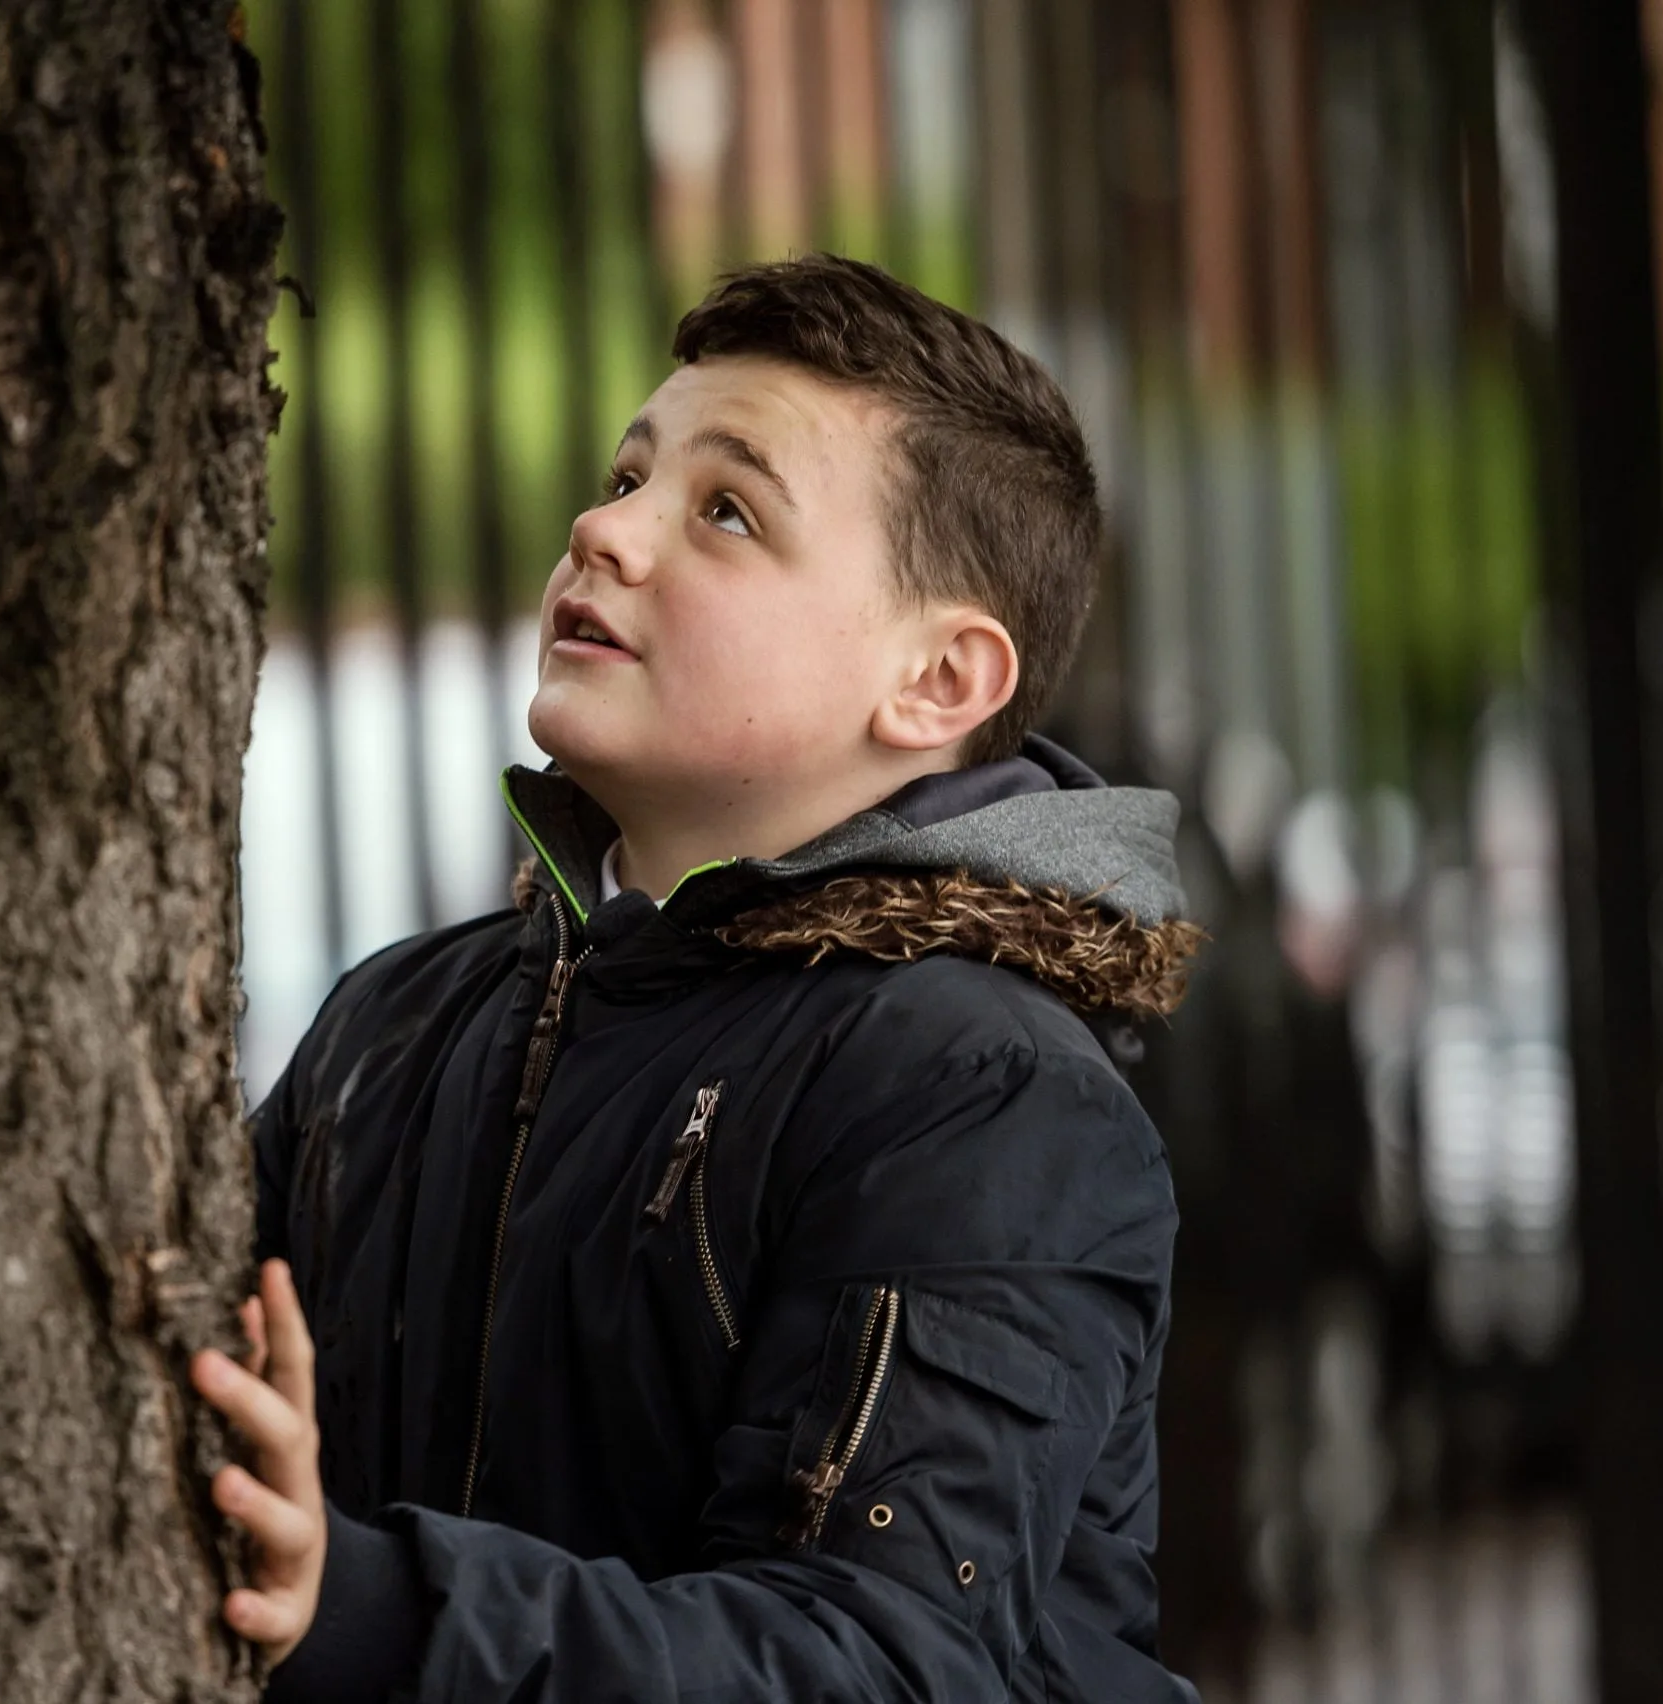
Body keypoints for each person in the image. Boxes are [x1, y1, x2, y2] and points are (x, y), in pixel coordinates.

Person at [194, 254, 1202, 1702]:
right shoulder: (391, 1027)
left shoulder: (984, 1097)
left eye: (727, 511)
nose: (604, 531)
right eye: (625, 478)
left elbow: (874, 1662)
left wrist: (364, 1609)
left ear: (938, 683)